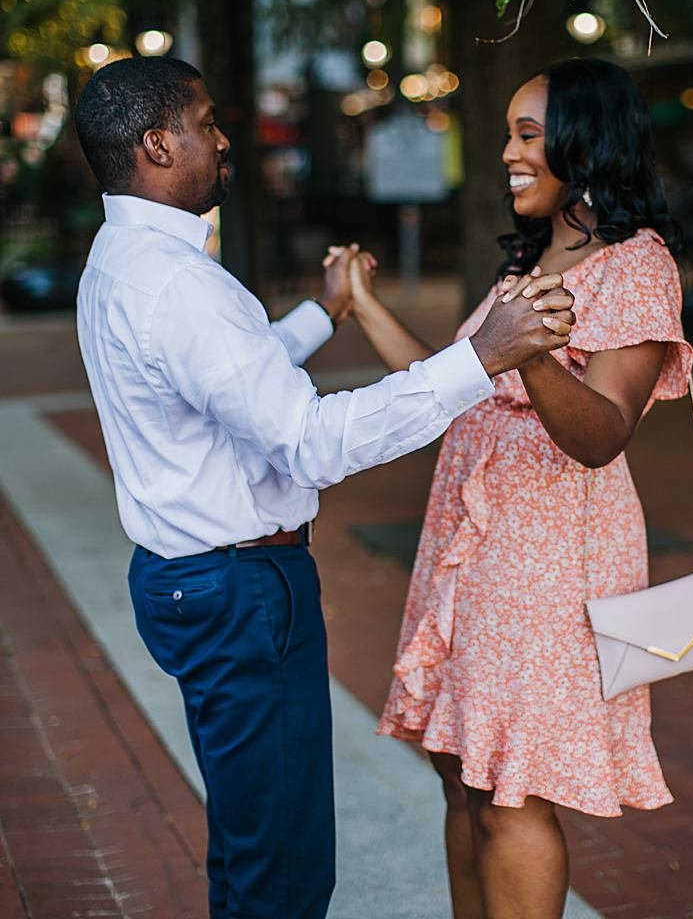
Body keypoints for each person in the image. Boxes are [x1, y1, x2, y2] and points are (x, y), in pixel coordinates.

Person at [70, 55, 575, 919]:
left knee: (249, 846)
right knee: (284, 873)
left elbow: (229, 376)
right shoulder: (179, 285)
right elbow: (307, 442)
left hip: (191, 580)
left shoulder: (123, 259)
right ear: (157, 145)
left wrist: (327, 310)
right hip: (239, 592)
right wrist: (479, 358)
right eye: (206, 122)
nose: (225, 140)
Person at [354, 58, 693, 919]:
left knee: (511, 786)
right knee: (462, 769)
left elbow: (604, 432)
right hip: (470, 546)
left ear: (585, 143)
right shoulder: (537, 258)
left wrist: (529, 349)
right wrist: (360, 302)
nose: (507, 152)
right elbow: (446, 381)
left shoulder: (635, 265)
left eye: (527, 135)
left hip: (549, 560)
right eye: (508, 132)